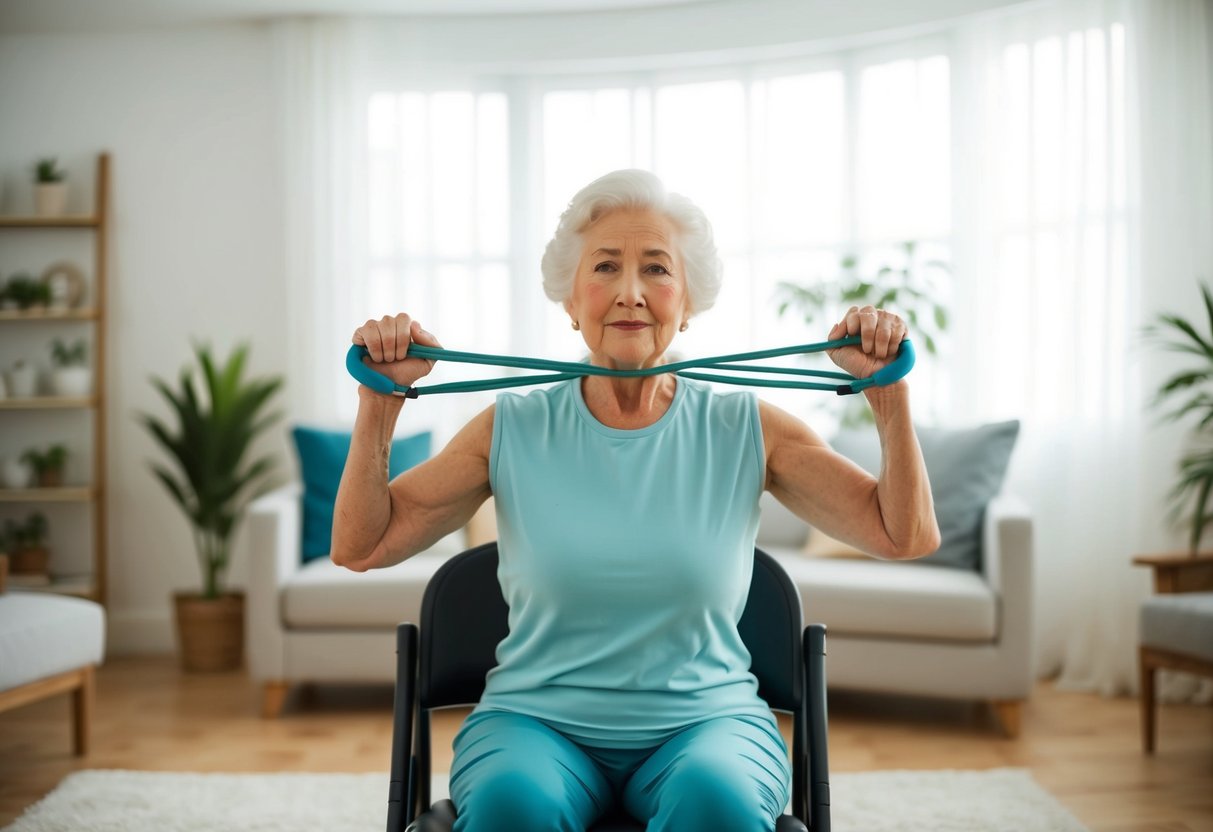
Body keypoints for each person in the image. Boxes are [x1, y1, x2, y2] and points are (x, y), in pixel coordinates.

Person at [332, 169, 940, 832]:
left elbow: (901, 535)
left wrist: (889, 397)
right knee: (513, 809)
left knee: (716, 805)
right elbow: (361, 545)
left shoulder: (748, 428)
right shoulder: (510, 427)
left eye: (655, 268)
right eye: (605, 267)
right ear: (570, 299)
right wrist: (379, 405)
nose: (629, 293)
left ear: (688, 300)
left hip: (709, 722)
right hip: (533, 722)